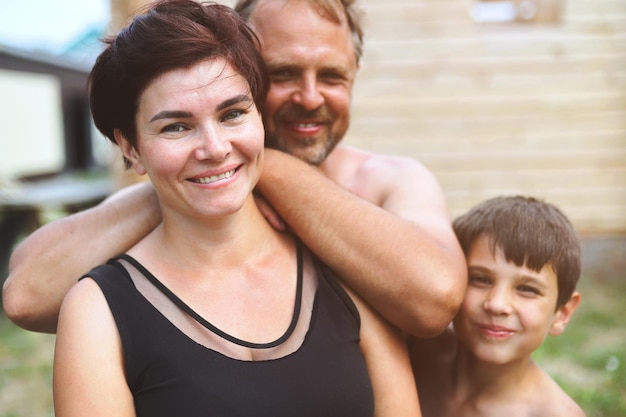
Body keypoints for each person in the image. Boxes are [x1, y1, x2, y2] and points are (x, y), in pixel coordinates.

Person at [3, 0, 467, 336]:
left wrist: (272, 171)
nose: (310, 98)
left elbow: (435, 302)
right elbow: (26, 296)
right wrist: (228, 170)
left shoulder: (392, 180)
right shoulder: (189, 188)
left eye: (331, 76)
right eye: (283, 74)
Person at [52, 2, 420, 415]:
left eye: (232, 114)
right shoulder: (96, 310)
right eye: (176, 126)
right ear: (131, 147)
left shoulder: (346, 266)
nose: (215, 148)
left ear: (260, 117)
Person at [408, 195, 585, 417]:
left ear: (563, 313)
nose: (497, 304)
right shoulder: (415, 351)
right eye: (480, 279)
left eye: (527, 289)